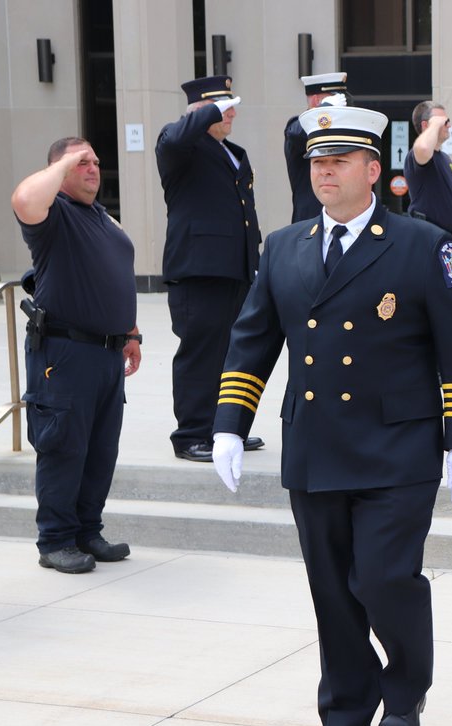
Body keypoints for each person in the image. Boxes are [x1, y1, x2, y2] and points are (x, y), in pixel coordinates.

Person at [210, 105, 452, 726]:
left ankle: (404, 693)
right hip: (315, 446)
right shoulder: (285, 246)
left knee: (385, 579)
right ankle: (345, 714)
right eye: (315, 161)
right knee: (332, 589)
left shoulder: (422, 243)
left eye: (337, 161)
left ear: (372, 170)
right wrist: (229, 424)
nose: (323, 171)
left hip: (397, 448)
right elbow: (251, 342)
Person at [10, 137, 141, 574]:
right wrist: (66, 159)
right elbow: (24, 198)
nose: (93, 169)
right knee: (63, 447)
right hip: (65, 353)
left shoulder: (100, 217)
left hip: (106, 354)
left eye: (96, 161)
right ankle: (56, 540)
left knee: (100, 450)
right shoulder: (54, 218)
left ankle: (87, 530)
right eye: (82, 162)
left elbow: (116, 276)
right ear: (59, 168)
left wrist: (131, 331)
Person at [156, 75, 263, 462]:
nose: (231, 113)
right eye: (222, 107)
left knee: (233, 355)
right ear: (200, 111)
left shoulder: (231, 150)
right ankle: (191, 434)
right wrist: (206, 112)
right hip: (199, 271)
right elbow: (175, 137)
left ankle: (226, 429)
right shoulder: (180, 146)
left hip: (237, 269)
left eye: (231, 105)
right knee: (201, 355)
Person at [284, 72, 350, 223]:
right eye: (333, 97)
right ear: (316, 100)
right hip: (311, 219)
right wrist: (326, 108)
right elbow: (297, 132)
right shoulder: (296, 127)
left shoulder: (339, 127)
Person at [404, 100, 452, 236]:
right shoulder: (417, 154)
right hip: (428, 236)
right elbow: (424, 147)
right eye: (443, 121)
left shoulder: (443, 157)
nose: (449, 125)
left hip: (447, 236)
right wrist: (434, 125)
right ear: (425, 125)